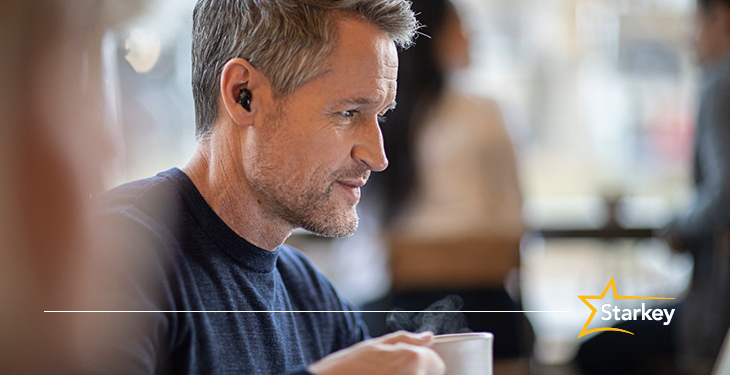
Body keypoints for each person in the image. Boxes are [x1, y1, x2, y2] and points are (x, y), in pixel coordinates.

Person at [93, 1, 445, 374]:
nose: (377, 156)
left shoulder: (312, 299)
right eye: (348, 113)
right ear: (244, 94)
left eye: (380, 116)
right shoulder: (116, 254)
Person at [578, 0, 730, 374]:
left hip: (716, 312)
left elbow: (724, 194)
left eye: (694, 23)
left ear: (721, 18)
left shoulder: (720, 83)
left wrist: (676, 226)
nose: (689, 36)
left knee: (595, 350)